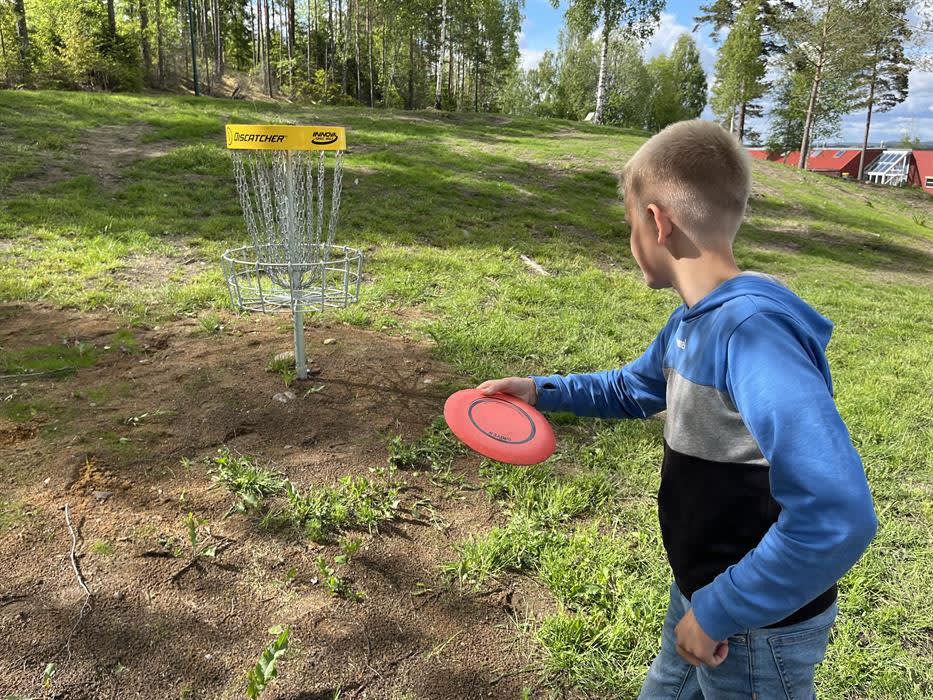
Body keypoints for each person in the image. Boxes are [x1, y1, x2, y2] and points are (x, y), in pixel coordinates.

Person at [477, 120, 877, 698]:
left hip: (754, 628)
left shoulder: (751, 334)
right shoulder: (693, 323)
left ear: (657, 222)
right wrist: (541, 391)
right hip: (701, 596)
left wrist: (721, 610)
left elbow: (837, 513)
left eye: (628, 224)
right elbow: (631, 388)